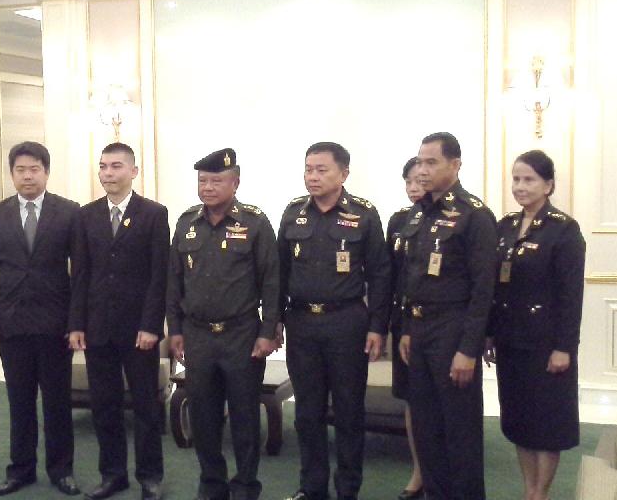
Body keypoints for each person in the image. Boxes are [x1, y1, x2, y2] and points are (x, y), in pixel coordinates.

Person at [277, 142, 391, 500]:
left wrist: (377, 326)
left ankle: (347, 490)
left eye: (321, 170)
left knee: (348, 411)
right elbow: (279, 273)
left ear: (343, 173)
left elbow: (381, 274)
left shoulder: (364, 214)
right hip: (301, 323)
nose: (312, 176)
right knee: (307, 412)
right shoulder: (293, 213)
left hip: (347, 323)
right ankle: (312, 488)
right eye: (308, 169)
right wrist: (274, 321)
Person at [166, 148, 279, 500]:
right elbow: (174, 282)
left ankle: (245, 485)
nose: (208, 187)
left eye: (216, 181)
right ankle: (212, 484)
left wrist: (268, 332)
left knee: (245, 416)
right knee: (203, 415)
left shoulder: (255, 223)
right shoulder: (187, 222)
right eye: (203, 181)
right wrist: (175, 330)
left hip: (241, 335)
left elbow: (272, 280)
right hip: (198, 335)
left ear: (235, 183)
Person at [0, 141, 82, 497]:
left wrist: (75, 322)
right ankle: (20, 470)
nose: (27, 176)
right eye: (20, 170)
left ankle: (61, 470)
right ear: (12, 174)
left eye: (34, 169)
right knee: (19, 401)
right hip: (12, 321)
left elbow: (80, 272)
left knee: (57, 402)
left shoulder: (68, 212)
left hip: (55, 323)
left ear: (46, 172)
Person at [398, 132, 497, 500]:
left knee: (459, 430)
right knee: (426, 428)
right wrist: (408, 329)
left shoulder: (474, 215)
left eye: (432, 162)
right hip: (420, 329)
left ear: (455, 165)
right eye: (420, 162)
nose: (423, 170)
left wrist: (468, 349)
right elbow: (412, 276)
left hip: (453, 330)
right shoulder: (419, 212)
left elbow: (483, 289)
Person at [68, 143, 169, 500]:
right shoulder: (86, 215)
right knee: (105, 407)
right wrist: (76, 324)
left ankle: (150, 477)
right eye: (103, 166)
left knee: (145, 407)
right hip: (98, 328)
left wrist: (151, 326)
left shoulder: (153, 213)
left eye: (115, 166)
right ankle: (112, 475)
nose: (108, 173)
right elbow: (80, 273)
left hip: (139, 330)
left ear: (133, 171)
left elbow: (159, 275)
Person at [483, 150, 585, 500]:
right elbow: (496, 287)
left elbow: (571, 296)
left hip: (545, 343)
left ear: (548, 185)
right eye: (516, 179)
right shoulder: (505, 226)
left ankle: (541, 492)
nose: (520, 186)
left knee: (547, 423)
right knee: (520, 420)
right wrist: (490, 333)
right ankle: (529, 487)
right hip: (511, 341)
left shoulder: (564, 230)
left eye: (529, 179)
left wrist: (564, 348)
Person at [385, 158, 426, 500]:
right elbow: (388, 276)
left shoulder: (459, 217)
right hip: (403, 324)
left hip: (437, 324)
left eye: (419, 181)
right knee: (412, 398)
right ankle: (418, 470)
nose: (414, 188)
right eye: (408, 182)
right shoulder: (399, 221)